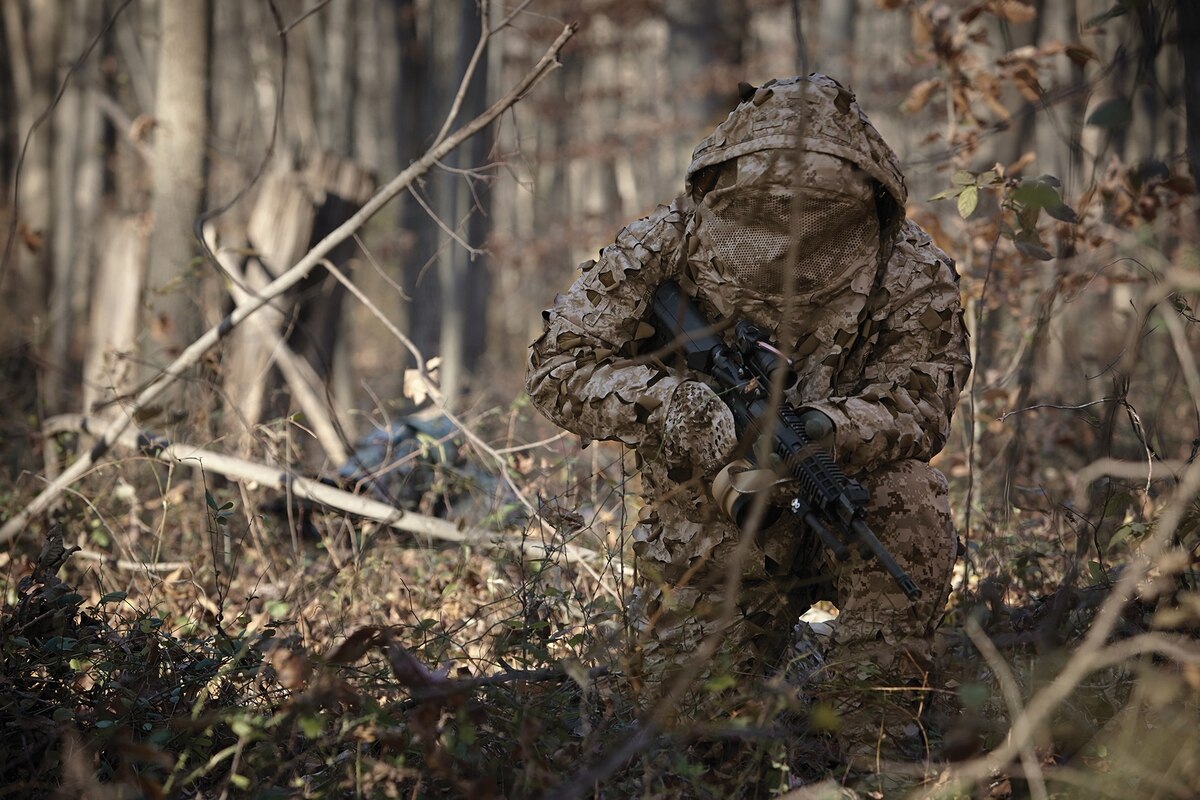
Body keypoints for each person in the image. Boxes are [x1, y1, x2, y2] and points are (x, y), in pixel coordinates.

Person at [525, 74, 971, 773]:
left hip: (841, 488)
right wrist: (667, 401)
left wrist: (828, 427)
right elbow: (558, 367)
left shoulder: (910, 266)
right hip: (705, 513)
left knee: (914, 508)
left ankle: (868, 743)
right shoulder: (665, 242)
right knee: (690, 748)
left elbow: (924, 401)